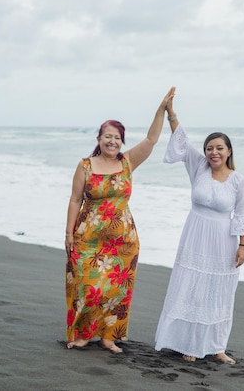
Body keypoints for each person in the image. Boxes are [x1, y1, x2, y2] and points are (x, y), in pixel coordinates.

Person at [64, 87, 176, 353]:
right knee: (88, 286)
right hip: (87, 237)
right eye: (107, 136)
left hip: (122, 240)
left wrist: (161, 109)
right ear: (99, 138)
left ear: (121, 142)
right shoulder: (86, 166)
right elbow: (74, 200)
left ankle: (108, 337)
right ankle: (83, 334)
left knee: (115, 291)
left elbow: (151, 140)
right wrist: (68, 234)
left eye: (116, 138)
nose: (112, 141)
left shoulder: (127, 163)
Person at [154, 92, 244, 364]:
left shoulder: (238, 181)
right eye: (210, 148)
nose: (214, 152)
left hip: (224, 241)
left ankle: (217, 346)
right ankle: (189, 343)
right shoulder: (198, 167)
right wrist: (170, 113)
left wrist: (243, 246)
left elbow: (243, 214)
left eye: (219, 148)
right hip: (195, 235)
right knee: (193, 287)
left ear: (229, 151)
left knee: (220, 291)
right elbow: (182, 142)